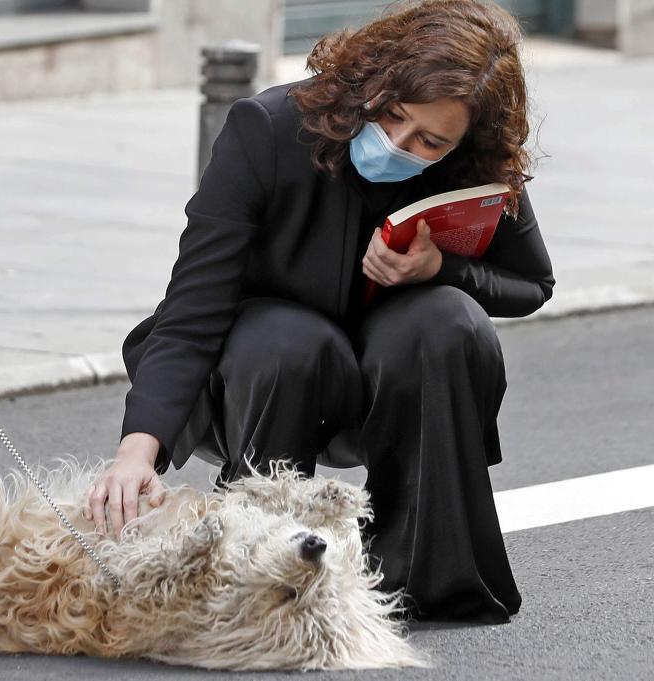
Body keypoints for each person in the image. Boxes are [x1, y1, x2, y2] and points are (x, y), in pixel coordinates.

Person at [84, 0, 554, 624]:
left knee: (448, 320)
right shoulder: (270, 128)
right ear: (372, 81)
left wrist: (441, 268)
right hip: (265, 377)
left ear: (464, 142)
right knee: (290, 338)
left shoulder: (476, 165)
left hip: (393, 384)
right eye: (392, 115)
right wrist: (136, 452)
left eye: (430, 141)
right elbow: (194, 304)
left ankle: (423, 576)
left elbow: (532, 283)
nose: (399, 143)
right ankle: (253, 566)